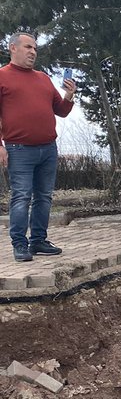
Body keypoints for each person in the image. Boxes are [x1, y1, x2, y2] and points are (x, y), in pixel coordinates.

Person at [0, 32, 76, 262]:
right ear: (13, 48)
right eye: (28, 47)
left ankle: (38, 241)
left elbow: (61, 111)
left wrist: (69, 95)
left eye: (35, 48)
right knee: (22, 196)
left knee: (44, 197)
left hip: (48, 149)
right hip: (18, 149)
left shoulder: (43, 78)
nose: (33, 51)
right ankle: (20, 244)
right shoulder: (2, 77)